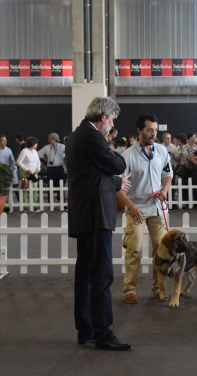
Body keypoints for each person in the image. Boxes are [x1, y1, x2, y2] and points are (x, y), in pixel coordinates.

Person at [66, 96, 132, 351]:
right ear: (103, 116)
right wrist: (114, 160)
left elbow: (89, 174)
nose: (112, 123)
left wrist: (115, 182)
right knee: (102, 274)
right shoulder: (94, 137)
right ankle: (103, 332)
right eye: (112, 118)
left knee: (85, 275)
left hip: (84, 213)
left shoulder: (76, 136)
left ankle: (86, 330)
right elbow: (117, 164)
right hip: (96, 215)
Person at [118, 114, 173, 305]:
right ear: (139, 131)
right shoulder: (127, 156)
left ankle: (159, 288)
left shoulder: (161, 151)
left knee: (162, 249)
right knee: (135, 249)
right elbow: (118, 187)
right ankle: (130, 289)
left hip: (158, 208)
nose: (153, 134)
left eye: (156, 130)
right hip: (137, 209)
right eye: (149, 130)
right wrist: (130, 207)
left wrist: (164, 190)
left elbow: (167, 173)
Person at [17, 137, 41, 205]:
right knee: (25, 189)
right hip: (25, 173)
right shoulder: (24, 151)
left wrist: (38, 169)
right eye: (36, 143)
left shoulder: (35, 152)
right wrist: (26, 169)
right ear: (32, 144)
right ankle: (24, 205)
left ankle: (35, 204)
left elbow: (38, 161)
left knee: (35, 189)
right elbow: (18, 162)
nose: (37, 145)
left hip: (34, 173)